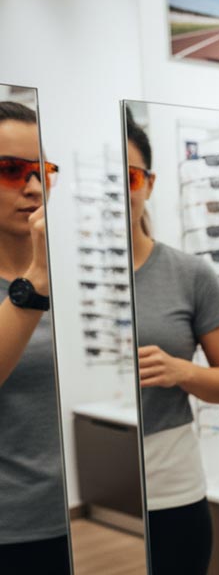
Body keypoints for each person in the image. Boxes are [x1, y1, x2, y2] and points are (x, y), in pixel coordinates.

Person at [127, 113, 219, 574]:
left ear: (150, 184)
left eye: (132, 177)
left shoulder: (189, 274)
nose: (123, 191)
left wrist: (184, 372)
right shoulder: (50, 280)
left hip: (172, 486)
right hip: (89, 487)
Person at [0, 102, 70, 573]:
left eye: (40, 170)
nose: (32, 186)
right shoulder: (40, 281)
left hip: (58, 521)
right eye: (10, 170)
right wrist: (35, 282)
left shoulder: (57, 273)